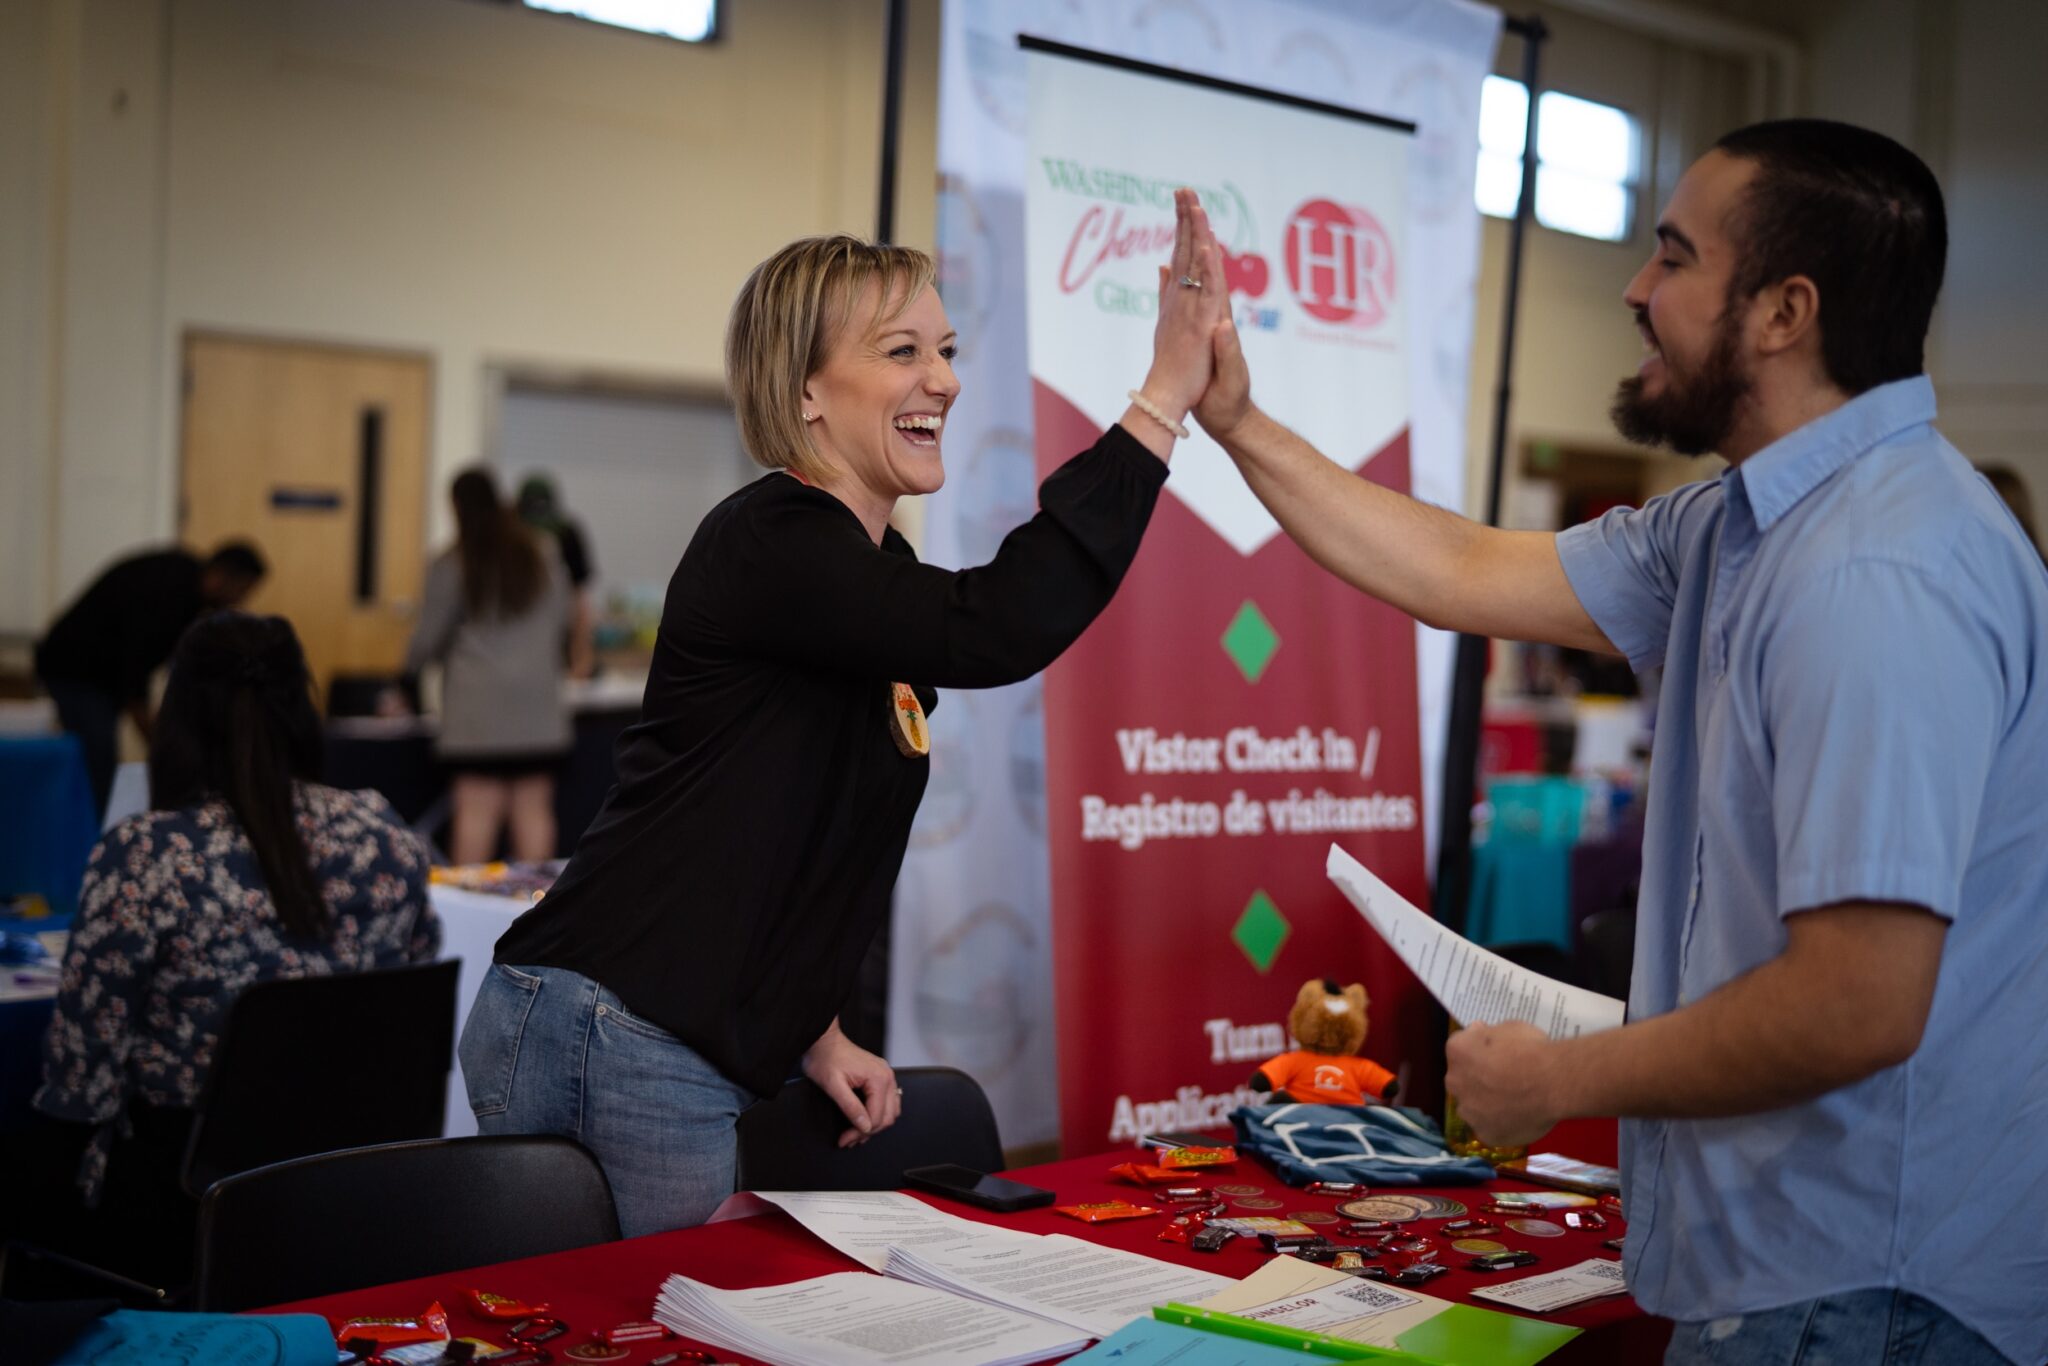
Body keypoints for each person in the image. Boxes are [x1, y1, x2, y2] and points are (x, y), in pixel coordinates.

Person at [1192, 121, 2044, 1365]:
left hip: (1865, 1293)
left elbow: (1857, 1000)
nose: (1635, 290)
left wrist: (1557, 1086)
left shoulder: (1877, 568)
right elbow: (1462, 566)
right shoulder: (1737, 526)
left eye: (1672, 257)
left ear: (1780, 312)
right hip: (1800, 1274)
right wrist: (1238, 420)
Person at [460, 190, 1226, 1236]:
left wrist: (812, 1032)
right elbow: (994, 626)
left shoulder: (868, 567)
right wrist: (1159, 401)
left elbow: (783, 827)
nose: (943, 381)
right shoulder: (774, 539)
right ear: (807, 390)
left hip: (654, 1019)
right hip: (616, 1021)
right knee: (645, 1335)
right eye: (902, 350)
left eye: (946, 349)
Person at [23, 612, 438, 1282]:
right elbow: (410, 995)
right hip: (354, 1191)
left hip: (179, 1206)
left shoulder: (149, 852)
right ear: (299, 710)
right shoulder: (381, 829)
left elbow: (81, 1080)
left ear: (177, 717)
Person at [406, 468, 573, 865]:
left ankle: (471, 918)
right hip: (537, 708)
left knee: (477, 814)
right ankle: (534, 913)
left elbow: (428, 638)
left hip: (478, 713)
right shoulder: (542, 551)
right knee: (532, 812)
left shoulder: (452, 561)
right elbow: (561, 618)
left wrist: (406, 672)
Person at [33, 541, 267, 816]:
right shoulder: (169, 589)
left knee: (95, 760)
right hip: (74, 670)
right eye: (242, 590)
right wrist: (161, 743)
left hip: (93, 675)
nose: (239, 601)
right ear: (221, 576)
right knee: (97, 763)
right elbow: (135, 673)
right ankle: (95, 841)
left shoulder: (186, 591)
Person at [517, 473, 599, 678]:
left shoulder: (568, 536)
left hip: (558, 646)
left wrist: (581, 657)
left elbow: (579, 600)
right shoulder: (507, 543)